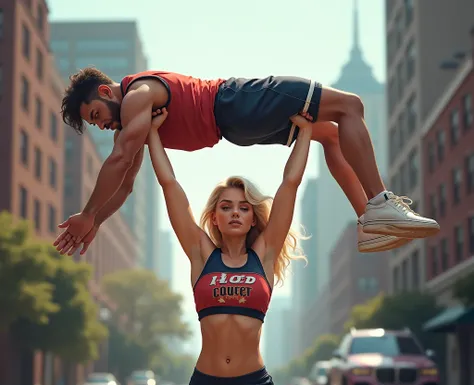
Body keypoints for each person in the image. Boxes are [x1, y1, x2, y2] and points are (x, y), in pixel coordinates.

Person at [53, 67, 439, 256]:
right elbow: (125, 179)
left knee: (333, 132)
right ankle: (378, 206)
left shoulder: (137, 94)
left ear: (106, 92)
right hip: (235, 117)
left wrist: (90, 215)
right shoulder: (131, 128)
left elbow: (122, 166)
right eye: (95, 123)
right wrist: (94, 220)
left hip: (234, 107)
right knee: (351, 106)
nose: (102, 126)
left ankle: (370, 219)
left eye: (96, 115)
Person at [145, 107, 316, 385]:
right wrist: (152, 135)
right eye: (226, 207)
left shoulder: (264, 255)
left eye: (243, 207)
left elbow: (289, 186)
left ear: (253, 216)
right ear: (215, 217)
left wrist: (305, 134)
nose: (235, 213)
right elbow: (170, 186)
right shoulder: (201, 254)